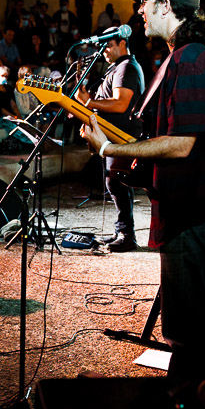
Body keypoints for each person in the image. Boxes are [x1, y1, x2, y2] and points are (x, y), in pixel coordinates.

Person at [80, 0, 205, 386]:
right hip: (194, 207)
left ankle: (187, 406)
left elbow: (181, 144)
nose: (139, 12)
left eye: (145, 3)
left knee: (186, 326)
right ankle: (190, 399)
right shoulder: (195, 54)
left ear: (166, 5)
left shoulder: (191, 59)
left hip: (193, 209)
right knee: (189, 319)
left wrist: (108, 149)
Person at [75, 34, 145, 252]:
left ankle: (127, 235)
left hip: (122, 135)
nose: (104, 50)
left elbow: (120, 104)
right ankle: (121, 231)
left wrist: (88, 102)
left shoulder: (126, 68)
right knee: (113, 182)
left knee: (117, 182)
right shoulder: (117, 68)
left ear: (122, 43)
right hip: (114, 135)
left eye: (108, 46)